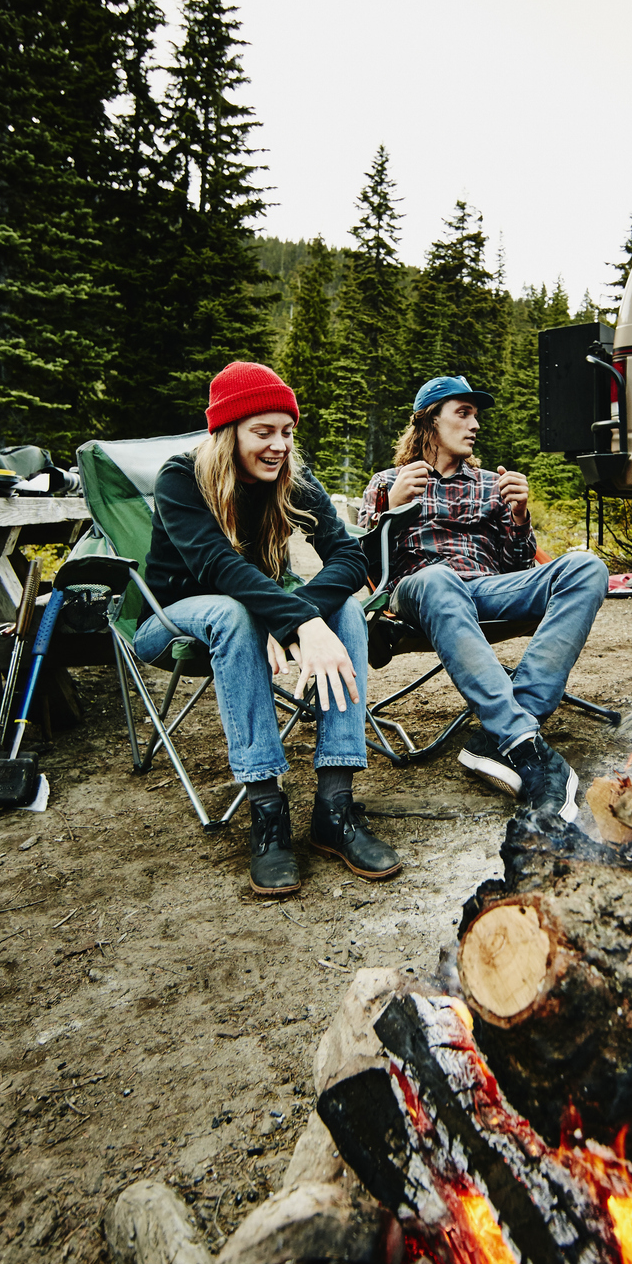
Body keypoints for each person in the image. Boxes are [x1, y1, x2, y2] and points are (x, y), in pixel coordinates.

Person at [138, 362, 401, 895]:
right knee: (236, 613)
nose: (279, 445)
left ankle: (335, 805)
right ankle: (266, 811)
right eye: (263, 432)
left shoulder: (291, 478)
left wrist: (301, 613)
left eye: (287, 431)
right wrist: (298, 619)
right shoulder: (180, 477)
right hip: (169, 620)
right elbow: (217, 568)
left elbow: (349, 558)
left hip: (260, 605)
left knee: (346, 611)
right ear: (226, 433)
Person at [359, 375, 609, 821]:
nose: (475, 424)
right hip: (421, 590)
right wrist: (389, 510)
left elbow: (518, 566)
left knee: (586, 566)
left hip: (487, 589)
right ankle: (523, 745)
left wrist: (518, 514)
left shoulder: (490, 485)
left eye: (476, 415)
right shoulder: (389, 480)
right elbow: (368, 570)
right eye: (463, 413)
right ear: (429, 422)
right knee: (439, 578)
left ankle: (506, 732)